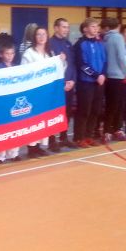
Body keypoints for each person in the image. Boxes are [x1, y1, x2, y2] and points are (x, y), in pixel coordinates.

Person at [21, 27, 55, 157]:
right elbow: (24, 72)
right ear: (34, 37)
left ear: (47, 36)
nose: (41, 37)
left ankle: (40, 146)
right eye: (38, 34)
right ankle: (31, 148)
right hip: (33, 92)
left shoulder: (49, 53)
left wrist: (62, 61)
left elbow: (56, 69)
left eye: (43, 34)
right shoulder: (29, 53)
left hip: (46, 92)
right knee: (33, 120)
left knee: (43, 119)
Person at [73, 18, 106, 147]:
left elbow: (104, 61)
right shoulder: (80, 44)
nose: (96, 29)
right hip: (85, 83)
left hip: (99, 82)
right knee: (84, 110)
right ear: (85, 29)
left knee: (95, 110)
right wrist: (96, 75)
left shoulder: (100, 43)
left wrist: (102, 74)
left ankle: (89, 136)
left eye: (97, 26)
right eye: (93, 26)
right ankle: (78, 137)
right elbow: (81, 64)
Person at [101, 18, 126, 143]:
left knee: (110, 105)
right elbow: (121, 57)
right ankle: (113, 130)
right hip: (117, 76)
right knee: (117, 105)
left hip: (108, 76)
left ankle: (109, 131)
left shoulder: (105, 38)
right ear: (118, 26)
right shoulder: (118, 37)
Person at [0, 43, 21, 164]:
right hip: (3, 102)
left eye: (12, 53)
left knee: (15, 127)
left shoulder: (17, 68)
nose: (9, 56)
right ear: (1, 55)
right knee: (2, 129)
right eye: (7, 53)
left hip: (14, 100)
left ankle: (13, 153)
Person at [49, 18, 78, 148]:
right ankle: (51, 141)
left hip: (69, 85)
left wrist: (73, 80)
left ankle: (64, 137)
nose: (66, 30)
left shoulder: (68, 44)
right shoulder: (49, 44)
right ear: (56, 28)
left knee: (67, 112)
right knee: (53, 113)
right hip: (56, 86)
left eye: (67, 27)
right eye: (63, 27)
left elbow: (72, 64)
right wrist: (61, 83)